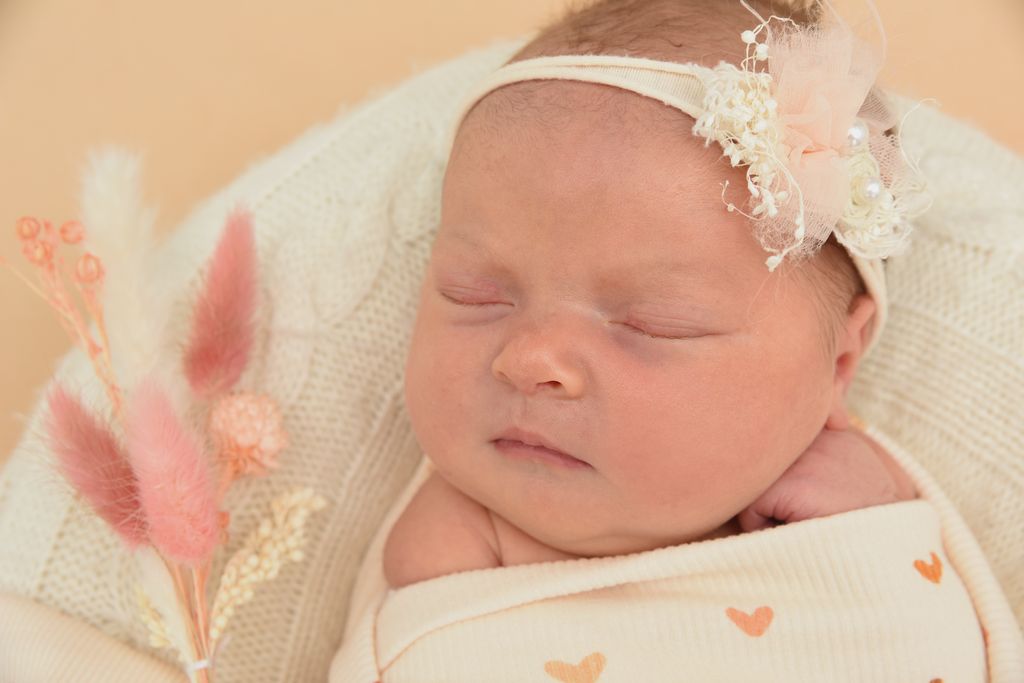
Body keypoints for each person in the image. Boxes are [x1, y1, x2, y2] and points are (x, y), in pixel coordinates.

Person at [330, 1, 1004, 680]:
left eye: (653, 322)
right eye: (474, 294)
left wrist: (877, 502)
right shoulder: (446, 541)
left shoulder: (863, 502)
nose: (530, 359)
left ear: (839, 362)